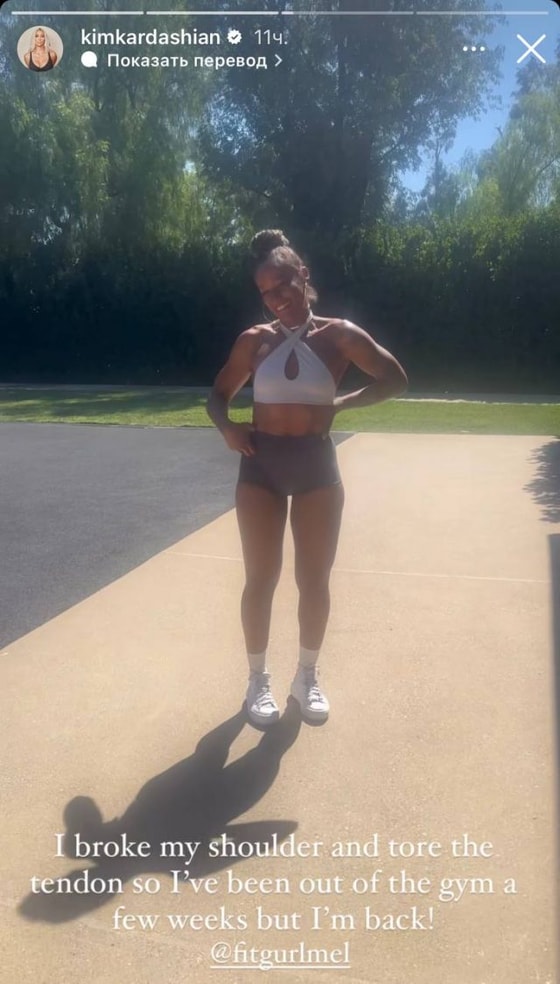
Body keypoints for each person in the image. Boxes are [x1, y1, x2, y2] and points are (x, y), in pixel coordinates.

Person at [207, 229, 408, 728]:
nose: (277, 299)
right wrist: (227, 427)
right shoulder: (254, 341)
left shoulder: (340, 335)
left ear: (303, 274)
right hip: (261, 466)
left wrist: (340, 403)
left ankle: (306, 676)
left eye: (283, 285)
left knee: (313, 580)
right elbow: (217, 396)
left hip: (316, 466)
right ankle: (257, 680)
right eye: (266, 293)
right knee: (261, 578)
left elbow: (394, 379)